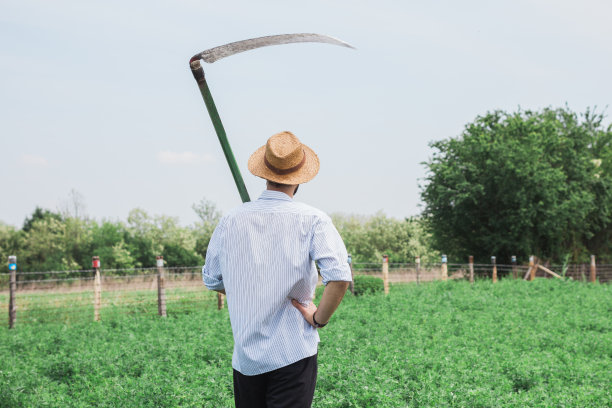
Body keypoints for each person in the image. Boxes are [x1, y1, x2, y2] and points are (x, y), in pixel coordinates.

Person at [202, 131, 352, 408]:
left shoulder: (231, 220)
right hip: (293, 349)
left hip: (246, 356)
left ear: (264, 174)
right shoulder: (313, 220)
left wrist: (248, 289)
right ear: (299, 179)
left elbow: (212, 279)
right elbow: (339, 277)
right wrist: (319, 319)